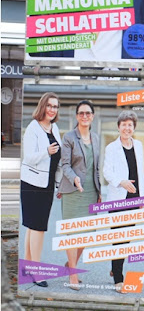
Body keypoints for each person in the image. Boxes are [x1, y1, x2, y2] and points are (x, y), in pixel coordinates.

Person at [102, 110, 144, 292]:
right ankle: (118, 278)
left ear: (133, 127)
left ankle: (115, 267)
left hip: (135, 198)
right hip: (118, 198)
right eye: (124, 125)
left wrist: (142, 197)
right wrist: (121, 182)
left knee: (127, 238)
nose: (127, 128)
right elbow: (107, 172)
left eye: (130, 125)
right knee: (118, 238)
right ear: (119, 127)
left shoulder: (139, 145)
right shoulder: (111, 148)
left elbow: (140, 173)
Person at [20, 93, 62, 287]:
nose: (53, 109)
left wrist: (60, 183)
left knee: (34, 226)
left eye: (56, 106)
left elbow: (59, 159)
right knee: (37, 227)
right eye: (50, 105)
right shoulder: (33, 128)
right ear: (43, 106)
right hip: (32, 184)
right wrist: (46, 152)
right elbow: (28, 157)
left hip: (47, 185)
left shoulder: (55, 128)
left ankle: (28, 268)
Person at [58, 100, 101, 290]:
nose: (85, 116)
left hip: (91, 191)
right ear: (77, 116)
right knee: (72, 232)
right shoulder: (68, 137)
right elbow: (65, 164)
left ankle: (70, 265)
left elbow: (97, 167)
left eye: (88, 113)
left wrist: (100, 191)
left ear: (92, 116)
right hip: (73, 190)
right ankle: (73, 275)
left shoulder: (97, 138)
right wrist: (74, 179)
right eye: (81, 113)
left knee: (87, 233)